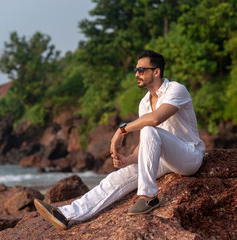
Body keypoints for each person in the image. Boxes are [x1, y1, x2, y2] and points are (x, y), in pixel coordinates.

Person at [34, 50, 205, 231]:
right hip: (164, 159)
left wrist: (121, 130)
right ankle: (67, 214)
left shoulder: (176, 89)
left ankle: (148, 197)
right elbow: (148, 142)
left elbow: (155, 121)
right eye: (135, 70)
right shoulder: (144, 102)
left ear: (156, 72)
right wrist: (129, 160)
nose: (136, 74)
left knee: (148, 127)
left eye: (141, 70)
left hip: (189, 157)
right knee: (115, 179)